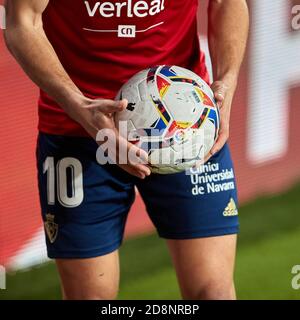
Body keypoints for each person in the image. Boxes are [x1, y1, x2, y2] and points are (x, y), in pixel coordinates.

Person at [4, 0, 249, 300]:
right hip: (77, 132)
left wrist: (227, 80)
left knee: (213, 293)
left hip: (187, 126)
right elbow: (21, 24)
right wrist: (79, 105)